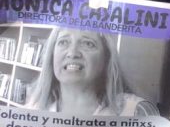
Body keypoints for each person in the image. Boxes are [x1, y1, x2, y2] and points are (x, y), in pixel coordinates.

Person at [27, 28, 158, 116]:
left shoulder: (134, 112)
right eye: (63, 42)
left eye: (88, 44)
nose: (72, 53)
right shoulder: (31, 114)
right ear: (51, 55)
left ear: (106, 58)